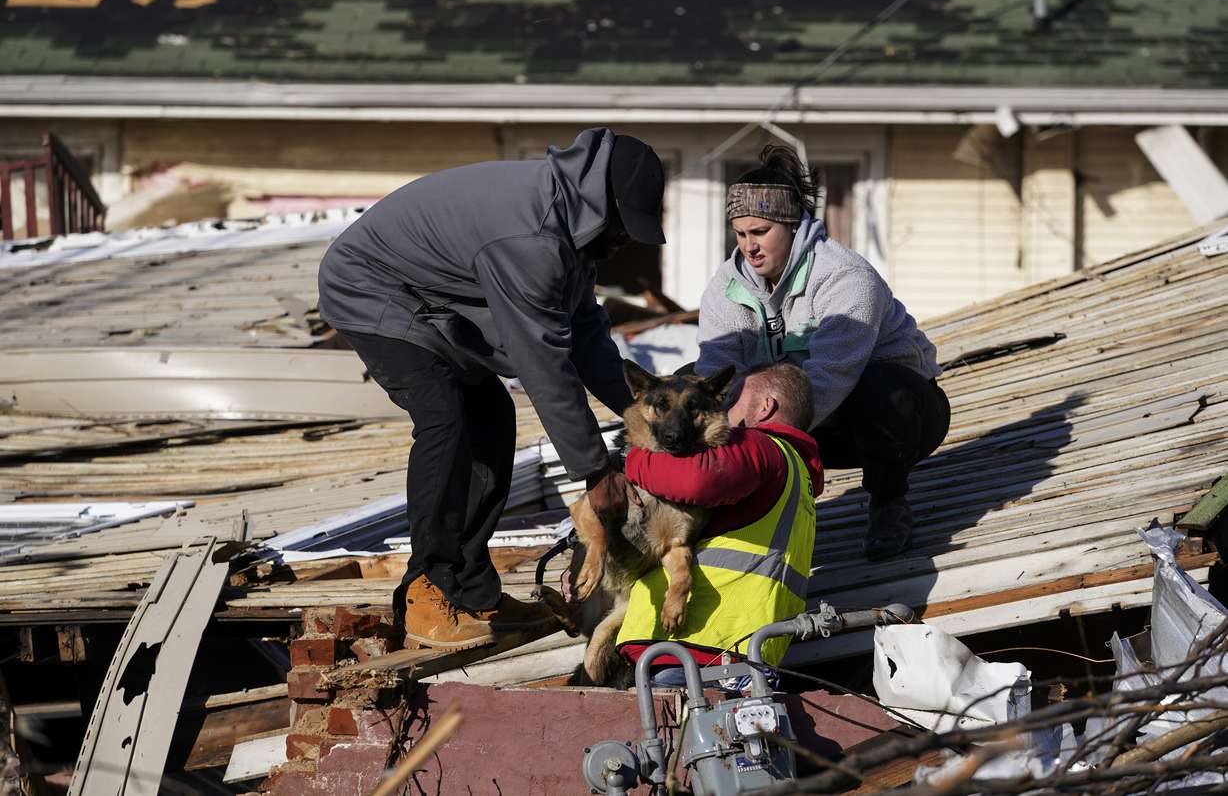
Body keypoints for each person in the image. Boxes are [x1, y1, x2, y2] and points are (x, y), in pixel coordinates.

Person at [316, 127, 663, 650]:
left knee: (493, 419)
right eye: (621, 229)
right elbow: (544, 364)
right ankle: (425, 588)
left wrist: (645, 413)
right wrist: (596, 470)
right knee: (445, 417)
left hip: (431, 300)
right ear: (601, 205)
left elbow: (586, 337)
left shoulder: (573, 225)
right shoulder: (533, 240)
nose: (622, 243)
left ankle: (473, 590)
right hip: (369, 289)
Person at [695, 145, 949, 561]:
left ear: (792, 226)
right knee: (696, 386)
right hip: (799, 423)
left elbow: (832, 376)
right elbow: (717, 374)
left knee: (881, 388)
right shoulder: (727, 286)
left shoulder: (844, 275)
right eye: (741, 234)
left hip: (893, 418)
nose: (749, 247)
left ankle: (889, 504)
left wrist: (759, 454)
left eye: (760, 232)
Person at [614, 363, 822, 688]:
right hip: (740, 649)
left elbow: (693, 481)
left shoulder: (757, 446)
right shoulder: (798, 472)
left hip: (694, 644)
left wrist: (633, 455)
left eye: (735, 397)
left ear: (765, 407)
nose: (723, 407)